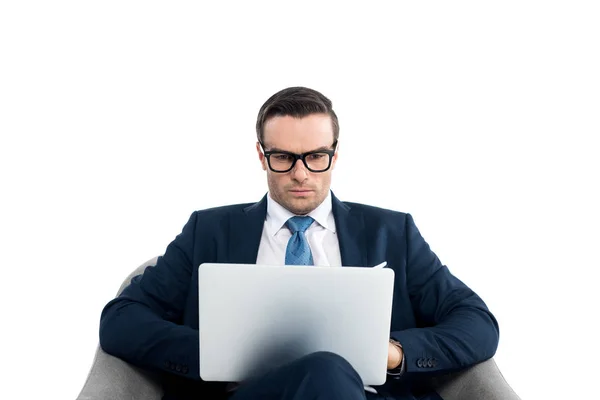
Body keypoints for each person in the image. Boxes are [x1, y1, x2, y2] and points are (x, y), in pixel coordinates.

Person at [99, 87, 499, 400]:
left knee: (329, 373)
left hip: (364, 395)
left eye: (316, 157)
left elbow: (477, 323)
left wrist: (393, 352)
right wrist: (215, 352)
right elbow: (120, 321)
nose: (301, 173)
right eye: (284, 158)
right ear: (261, 155)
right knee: (323, 369)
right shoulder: (208, 230)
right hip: (248, 396)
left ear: (335, 155)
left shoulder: (393, 232)